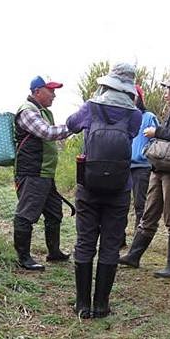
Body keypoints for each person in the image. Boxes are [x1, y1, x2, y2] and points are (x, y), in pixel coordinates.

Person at [66, 63, 142, 318]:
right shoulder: (135, 115)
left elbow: (71, 124)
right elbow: (131, 134)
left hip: (88, 187)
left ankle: (81, 305)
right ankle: (101, 306)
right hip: (120, 188)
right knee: (110, 245)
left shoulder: (92, 106)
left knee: (85, 241)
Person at [119, 71, 170, 278]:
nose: (165, 93)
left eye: (168, 89)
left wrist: (156, 132)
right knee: (149, 214)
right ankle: (133, 256)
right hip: (160, 169)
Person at [13, 75, 75, 271]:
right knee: (26, 215)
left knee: (54, 213)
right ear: (37, 91)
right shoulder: (27, 111)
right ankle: (24, 258)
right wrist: (75, 125)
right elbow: (47, 133)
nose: (54, 95)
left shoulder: (43, 111)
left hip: (45, 173)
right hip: (32, 172)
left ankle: (54, 252)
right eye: (51, 90)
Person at [121, 84, 160, 246]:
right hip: (122, 166)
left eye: (134, 95)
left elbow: (157, 139)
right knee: (120, 204)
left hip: (142, 167)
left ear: (139, 98)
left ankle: (138, 241)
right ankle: (118, 238)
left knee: (140, 204)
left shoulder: (149, 117)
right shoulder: (121, 116)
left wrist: (145, 152)